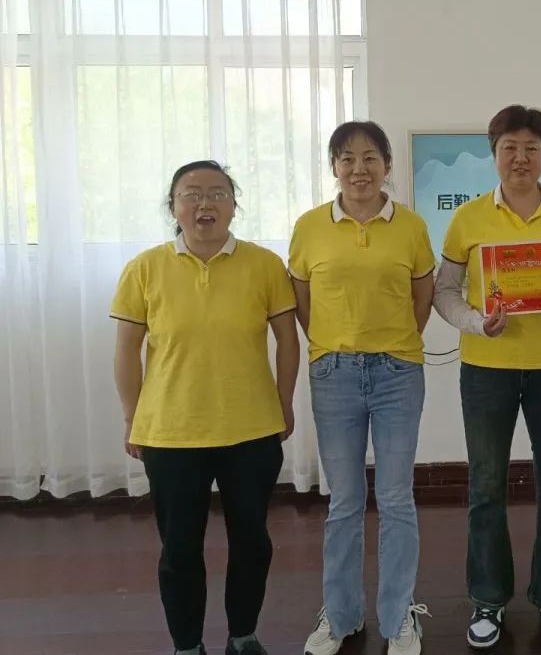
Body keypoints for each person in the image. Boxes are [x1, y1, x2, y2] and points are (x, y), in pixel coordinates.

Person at [112, 160, 299, 655]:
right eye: (191, 194)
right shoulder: (145, 268)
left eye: (217, 193)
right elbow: (126, 348)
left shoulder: (264, 265)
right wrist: (133, 417)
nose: (204, 203)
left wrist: (284, 402)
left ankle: (243, 635)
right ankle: (187, 645)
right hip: (171, 432)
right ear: (173, 207)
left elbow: (288, 339)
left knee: (252, 541)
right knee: (179, 547)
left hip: (252, 428)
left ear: (234, 206)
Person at [433, 105, 541, 650]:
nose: (520, 158)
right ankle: (487, 599)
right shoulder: (468, 217)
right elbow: (444, 292)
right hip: (486, 370)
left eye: (531, 148)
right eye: (510, 148)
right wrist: (477, 323)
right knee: (485, 487)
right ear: (494, 153)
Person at [290, 121, 435, 655]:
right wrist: (337, 345)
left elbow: (421, 298)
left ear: (387, 166)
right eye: (347, 158)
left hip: (398, 372)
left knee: (396, 498)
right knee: (345, 500)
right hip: (334, 374)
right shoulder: (309, 227)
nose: (359, 169)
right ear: (334, 166)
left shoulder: (411, 226)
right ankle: (341, 615)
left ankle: (399, 618)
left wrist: (392, 343)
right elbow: (303, 298)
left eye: (370, 157)